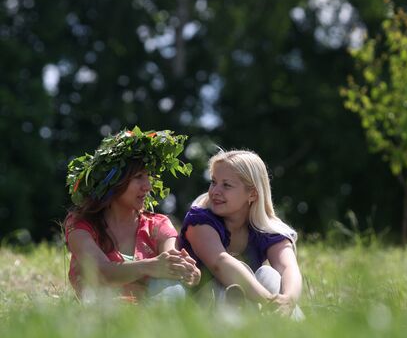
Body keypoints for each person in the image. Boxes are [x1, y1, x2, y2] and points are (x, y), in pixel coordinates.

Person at [64, 126, 200, 303]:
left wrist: (186, 270)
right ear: (112, 182)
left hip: (151, 314)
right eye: (138, 177)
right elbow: (100, 272)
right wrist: (149, 267)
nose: (148, 186)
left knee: (172, 286)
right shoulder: (81, 225)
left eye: (148, 176)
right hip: (100, 315)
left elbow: (170, 260)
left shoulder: (157, 225)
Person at [178, 149, 304, 318]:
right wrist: (269, 300)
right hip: (203, 311)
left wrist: (288, 299)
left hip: (253, 308)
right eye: (214, 182)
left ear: (252, 193)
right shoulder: (199, 221)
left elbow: (288, 267)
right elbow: (220, 263)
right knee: (229, 283)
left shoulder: (265, 228)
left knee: (270, 275)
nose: (215, 191)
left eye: (226, 185)